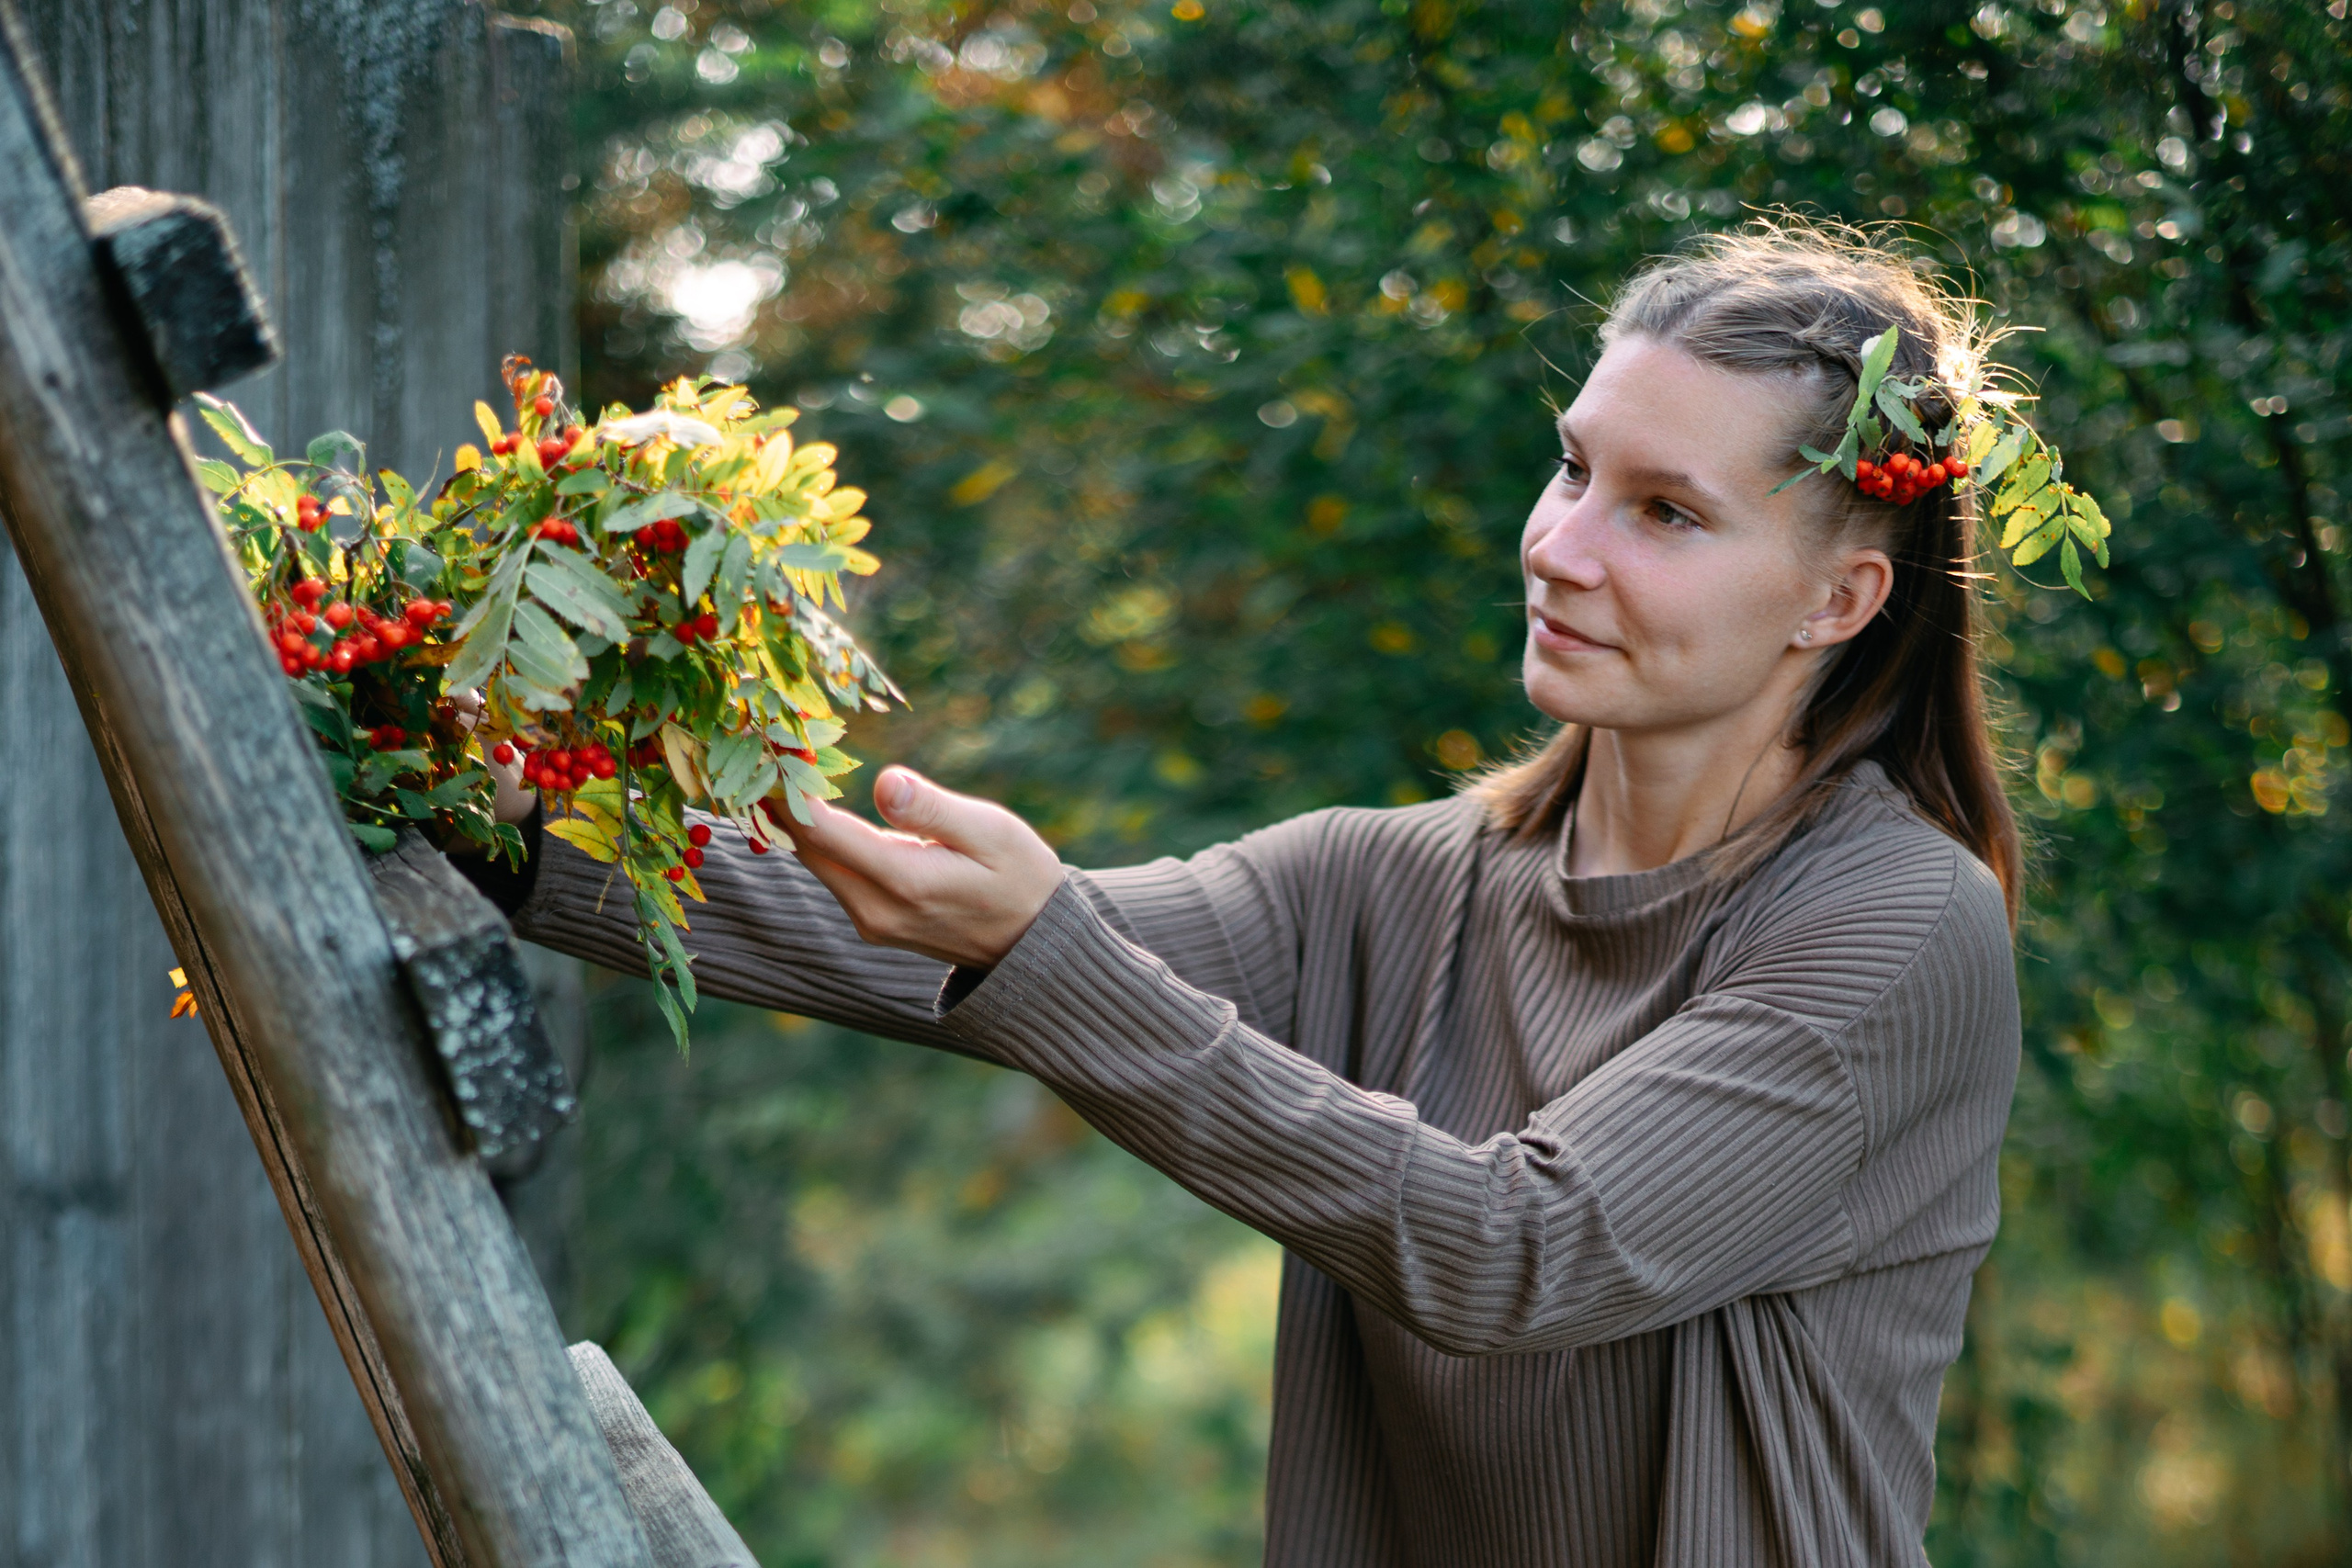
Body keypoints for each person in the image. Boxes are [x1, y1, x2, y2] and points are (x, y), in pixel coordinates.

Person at [482, 223, 2024, 1567]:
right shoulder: (1393, 881)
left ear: (1840, 599)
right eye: (1571, 469)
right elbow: (910, 930)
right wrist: (491, 816)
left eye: (1665, 514)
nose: (1559, 548)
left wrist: (1049, 949)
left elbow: (1521, 1247)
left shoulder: (1892, 928)